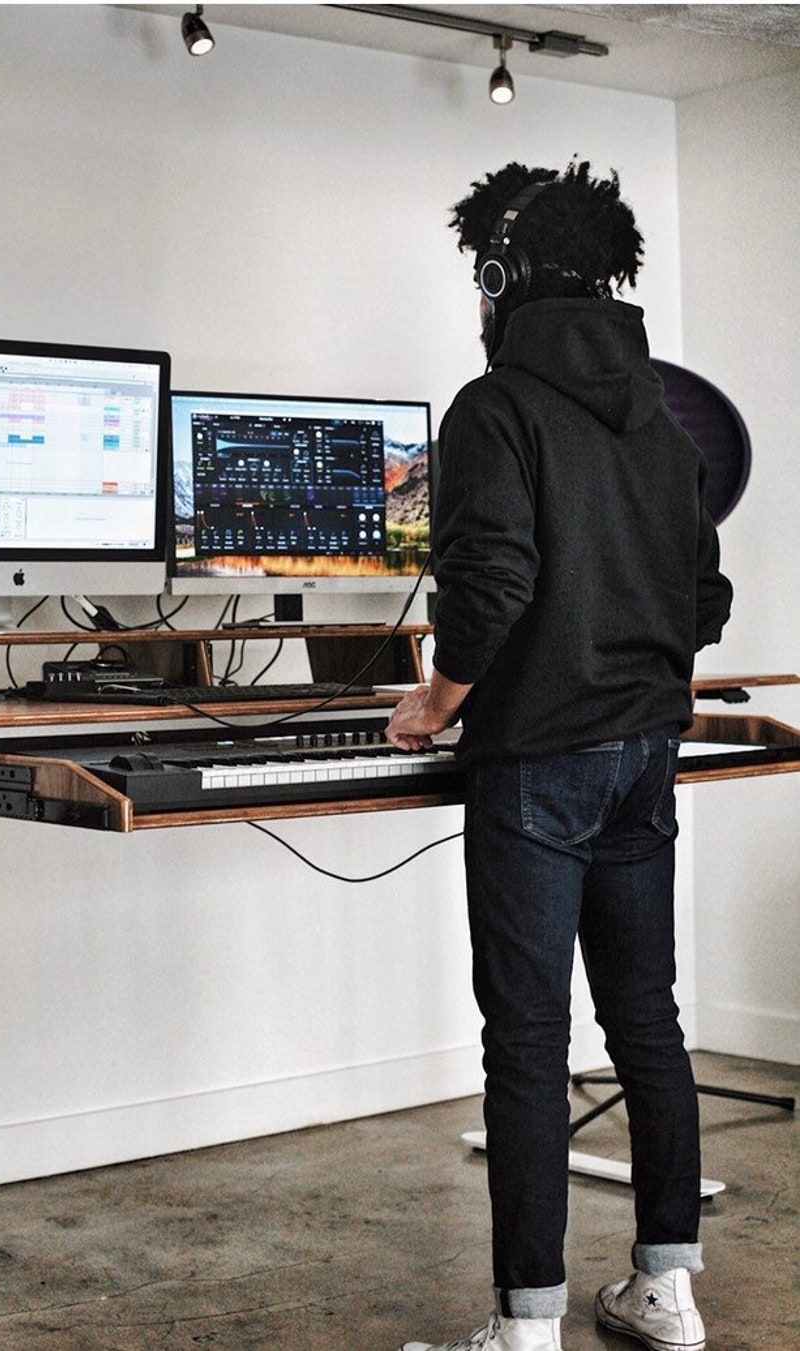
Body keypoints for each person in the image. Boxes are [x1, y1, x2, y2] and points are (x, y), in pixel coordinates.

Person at [386, 160, 733, 1351]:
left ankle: (527, 1325)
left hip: (538, 763)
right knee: (649, 1019)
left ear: (500, 273)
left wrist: (434, 704)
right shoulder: (662, 414)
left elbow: (489, 591)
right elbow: (707, 593)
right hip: (646, 754)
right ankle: (668, 1295)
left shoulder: (494, 409)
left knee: (528, 1040)